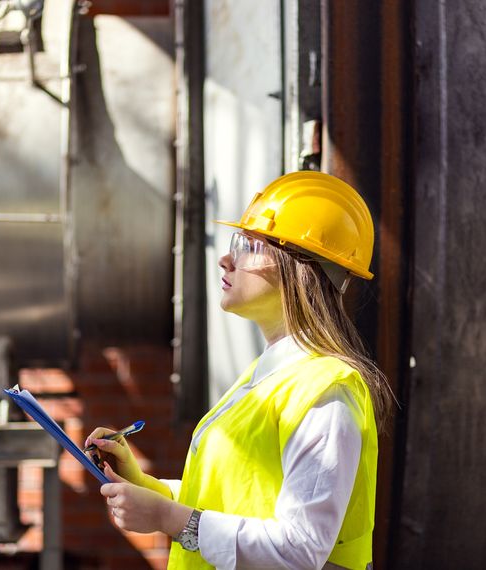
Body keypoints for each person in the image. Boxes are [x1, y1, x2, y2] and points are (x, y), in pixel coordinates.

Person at [86, 171, 394, 570]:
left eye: (248, 245)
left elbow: (299, 551)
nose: (226, 258)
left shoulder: (324, 392)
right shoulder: (270, 375)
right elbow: (231, 500)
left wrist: (167, 518)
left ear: (299, 268)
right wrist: (145, 487)